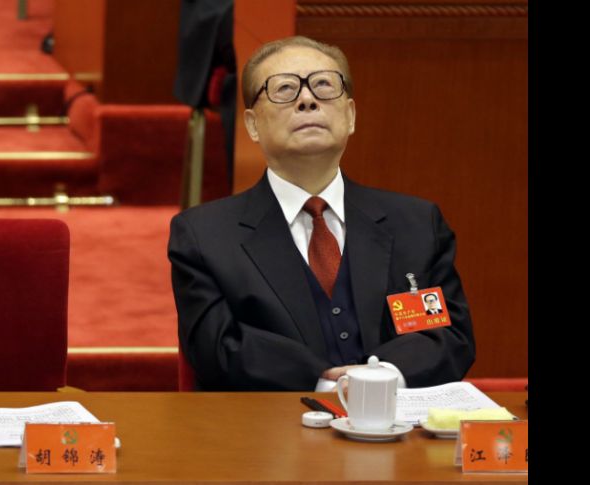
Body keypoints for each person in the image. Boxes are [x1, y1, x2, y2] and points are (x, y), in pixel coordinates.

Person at [168, 36, 475, 391]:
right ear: (252, 124)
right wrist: (322, 381)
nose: (307, 99)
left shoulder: (417, 224)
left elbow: (450, 336)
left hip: (399, 417)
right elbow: (216, 348)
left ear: (351, 116)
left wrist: (379, 379)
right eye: (284, 89)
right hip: (268, 422)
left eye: (324, 85)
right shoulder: (204, 235)